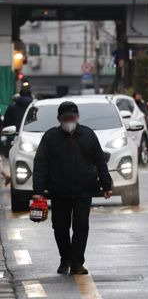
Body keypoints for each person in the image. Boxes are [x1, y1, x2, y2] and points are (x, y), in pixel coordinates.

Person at [32, 101, 113, 275]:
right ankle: (65, 259)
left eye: (72, 117)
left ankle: (77, 263)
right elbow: (40, 166)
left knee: (81, 226)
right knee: (60, 227)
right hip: (59, 191)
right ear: (59, 119)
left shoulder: (88, 135)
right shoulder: (50, 137)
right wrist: (38, 192)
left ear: (77, 117)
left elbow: (100, 162)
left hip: (84, 190)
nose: (69, 121)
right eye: (65, 118)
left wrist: (106, 185)